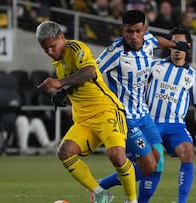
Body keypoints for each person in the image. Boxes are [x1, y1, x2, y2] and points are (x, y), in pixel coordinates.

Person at [35, 20, 138, 203]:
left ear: (62, 38)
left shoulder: (75, 48)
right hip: (84, 120)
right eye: (46, 50)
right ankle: (100, 193)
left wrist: (61, 83)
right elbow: (81, 86)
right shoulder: (58, 62)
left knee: (116, 155)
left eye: (52, 46)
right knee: (64, 152)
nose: (50, 52)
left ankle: (132, 200)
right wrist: (62, 95)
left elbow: (90, 72)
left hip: (107, 111)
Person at [95, 10, 190, 202]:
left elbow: (157, 40)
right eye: (129, 31)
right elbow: (92, 71)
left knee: (159, 162)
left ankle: (106, 187)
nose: (134, 36)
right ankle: (102, 187)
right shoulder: (114, 53)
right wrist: (65, 88)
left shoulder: (148, 41)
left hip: (144, 116)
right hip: (126, 118)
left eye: (138, 31)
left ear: (144, 29)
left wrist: (175, 44)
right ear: (122, 30)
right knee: (148, 165)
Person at [145, 25, 196, 203]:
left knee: (188, 152)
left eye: (182, 44)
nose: (178, 48)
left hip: (175, 125)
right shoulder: (154, 66)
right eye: (174, 44)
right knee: (152, 164)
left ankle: (181, 202)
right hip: (151, 122)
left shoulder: (193, 77)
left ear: (189, 45)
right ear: (169, 45)